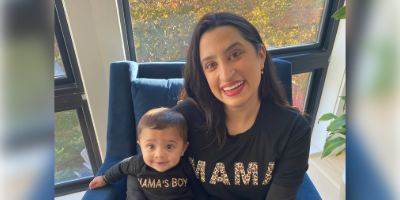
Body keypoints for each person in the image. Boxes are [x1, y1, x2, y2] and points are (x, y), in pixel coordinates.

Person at [128, 12, 311, 200]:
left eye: (235, 54)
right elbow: (139, 165)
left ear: (261, 55)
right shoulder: (186, 118)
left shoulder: (293, 129)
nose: (225, 74)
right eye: (211, 65)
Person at [89, 108, 208, 200]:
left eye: (169, 146)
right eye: (151, 146)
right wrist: (105, 178)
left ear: (183, 148)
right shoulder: (137, 163)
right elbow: (120, 168)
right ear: (140, 146)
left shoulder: (186, 165)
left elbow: (198, 191)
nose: (159, 154)